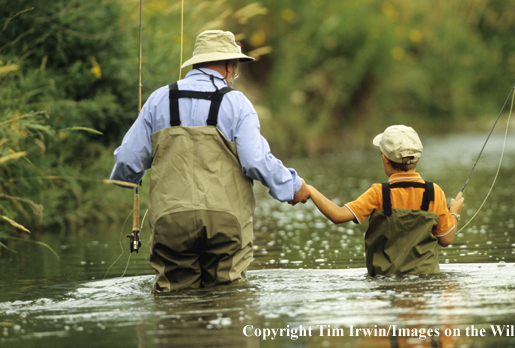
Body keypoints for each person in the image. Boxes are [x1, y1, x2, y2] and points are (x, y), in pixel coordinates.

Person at [110, 30, 310, 291]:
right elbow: (256, 161)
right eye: (234, 67)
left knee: (175, 303)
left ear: (196, 62)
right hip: (226, 223)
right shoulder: (238, 104)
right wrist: (292, 188)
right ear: (229, 65)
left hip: (170, 222)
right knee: (228, 300)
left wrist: (130, 180)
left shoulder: (158, 99)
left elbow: (126, 162)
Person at [307, 125, 464, 275]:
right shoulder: (434, 192)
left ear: (385, 160)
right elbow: (446, 239)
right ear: (417, 159)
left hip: (384, 285)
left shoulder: (378, 193)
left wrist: (310, 190)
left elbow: (338, 215)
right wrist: (455, 213)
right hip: (425, 283)